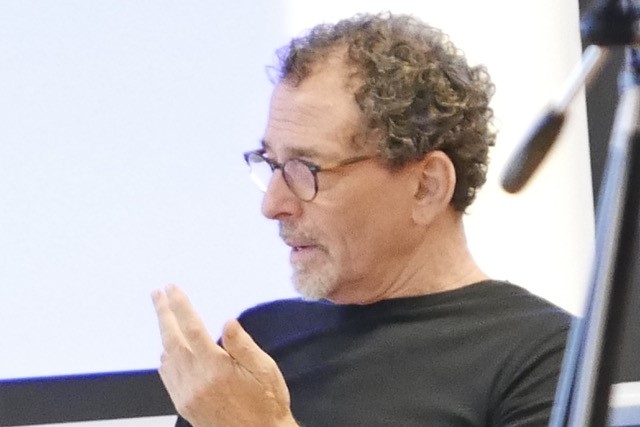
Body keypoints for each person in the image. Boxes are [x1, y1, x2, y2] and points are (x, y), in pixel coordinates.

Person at [151, 12, 571, 427]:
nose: (273, 204)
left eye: (306, 168)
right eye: (272, 163)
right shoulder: (258, 344)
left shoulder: (550, 360)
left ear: (426, 187)